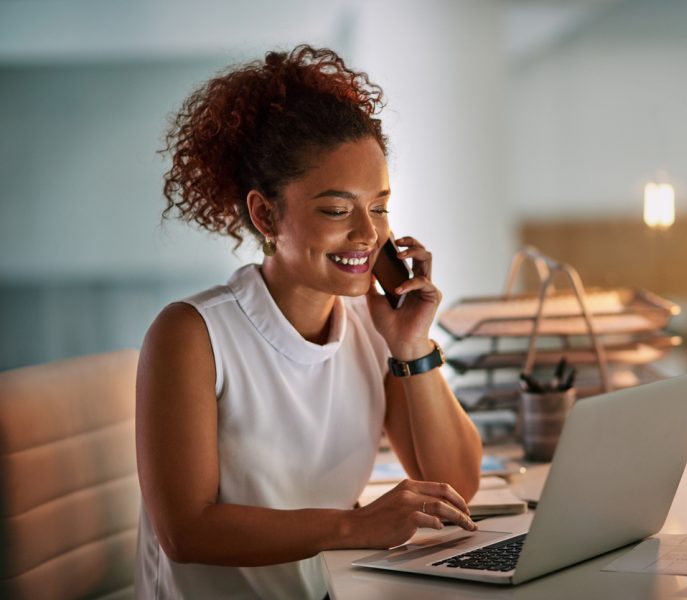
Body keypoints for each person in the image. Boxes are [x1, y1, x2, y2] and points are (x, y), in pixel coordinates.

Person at [135, 44, 483, 600]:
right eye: (337, 210)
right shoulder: (192, 333)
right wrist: (357, 526)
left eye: (380, 206)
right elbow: (185, 531)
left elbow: (456, 485)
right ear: (266, 214)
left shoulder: (373, 327)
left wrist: (413, 347)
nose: (369, 236)